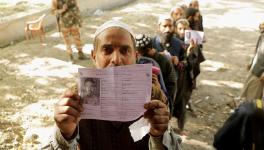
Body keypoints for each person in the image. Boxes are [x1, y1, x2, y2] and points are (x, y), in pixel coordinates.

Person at [44, 20, 181, 150]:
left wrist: (159, 135)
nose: (116, 60)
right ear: (94, 56)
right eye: (107, 50)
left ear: (136, 56)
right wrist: (64, 134)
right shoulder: (76, 98)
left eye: (125, 51)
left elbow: (171, 144)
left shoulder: (152, 95)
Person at [135, 34, 177, 114]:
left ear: (148, 49)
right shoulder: (144, 60)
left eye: (139, 53)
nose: (138, 57)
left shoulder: (160, 61)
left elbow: (171, 84)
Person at [241, 22, 264, 100]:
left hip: (260, 72)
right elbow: (258, 49)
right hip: (256, 67)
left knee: (254, 99)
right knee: (248, 94)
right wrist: (252, 61)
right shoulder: (262, 34)